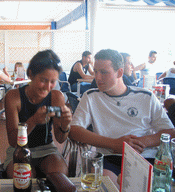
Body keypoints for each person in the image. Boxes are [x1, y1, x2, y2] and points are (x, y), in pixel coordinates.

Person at [68, 49, 174, 184]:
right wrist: (114, 144)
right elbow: (74, 131)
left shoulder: (146, 97)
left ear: (120, 73)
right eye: (96, 71)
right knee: (104, 181)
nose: (97, 78)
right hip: (109, 158)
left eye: (104, 72)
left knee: (141, 183)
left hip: (144, 157)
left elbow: (170, 132)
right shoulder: (90, 97)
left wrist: (138, 143)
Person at [3, 49, 72, 178]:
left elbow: (60, 138)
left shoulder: (56, 97)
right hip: (18, 151)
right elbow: (13, 141)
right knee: (23, 178)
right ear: (31, 74)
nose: (48, 86)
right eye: (44, 80)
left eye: (53, 81)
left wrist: (66, 125)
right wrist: (34, 120)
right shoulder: (14, 97)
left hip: (46, 149)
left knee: (60, 177)